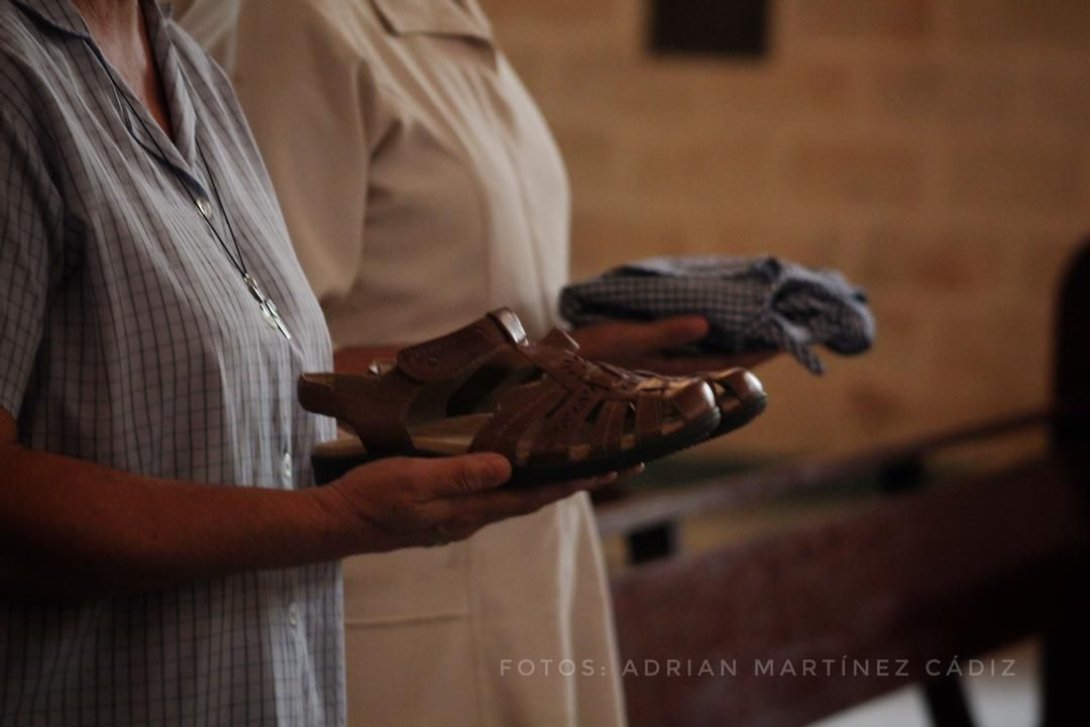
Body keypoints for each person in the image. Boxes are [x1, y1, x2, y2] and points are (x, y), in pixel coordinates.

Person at [0, 0, 619, 723]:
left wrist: (570, 363)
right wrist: (333, 518)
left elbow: (281, 387)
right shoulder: (19, 79)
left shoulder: (189, 71)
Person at [173, 2, 771, 725]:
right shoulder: (289, 23)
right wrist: (563, 358)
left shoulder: (448, 15)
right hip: (402, 579)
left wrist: (599, 349)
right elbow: (254, 355)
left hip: (534, 559)